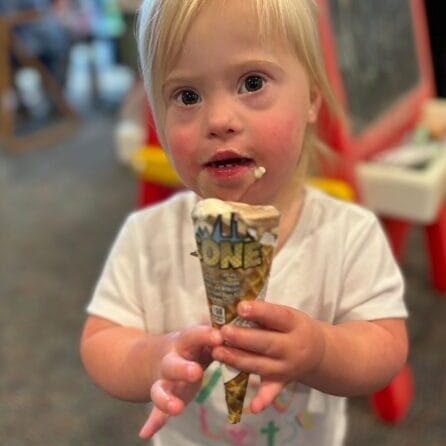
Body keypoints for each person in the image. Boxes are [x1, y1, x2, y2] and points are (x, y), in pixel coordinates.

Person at [80, 1, 409, 445]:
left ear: (311, 97)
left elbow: (385, 342)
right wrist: (153, 357)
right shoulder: (147, 237)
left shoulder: (349, 234)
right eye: (186, 96)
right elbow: (101, 339)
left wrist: (320, 351)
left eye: (252, 83)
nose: (218, 121)